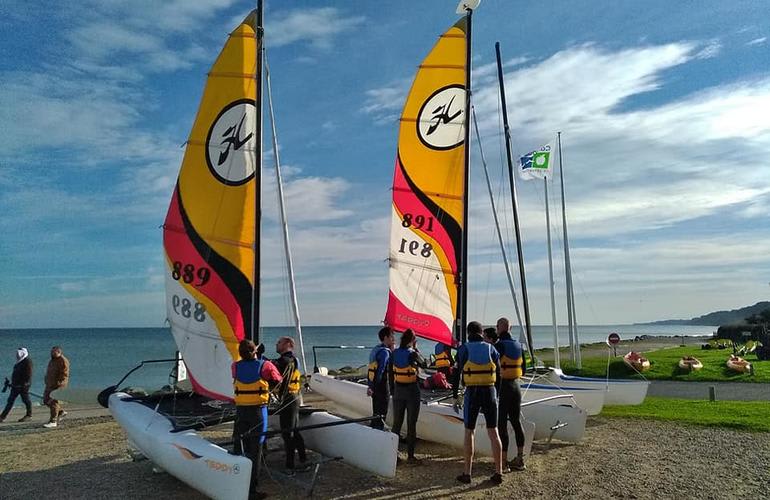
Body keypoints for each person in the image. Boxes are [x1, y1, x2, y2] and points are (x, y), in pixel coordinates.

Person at [453, 321, 503, 485]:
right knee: (493, 432)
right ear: (482, 333)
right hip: (489, 392)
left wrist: (455, 396)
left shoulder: (464, 349)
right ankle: (498, 472)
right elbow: (499, 375)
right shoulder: (491, 348)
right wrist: (497, 394)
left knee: (469, 432)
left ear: (468, 333)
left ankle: (467, 473)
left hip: (472, 393)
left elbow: (456, 374)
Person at [233, 339, 282, 497]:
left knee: (239, 446)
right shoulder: (265, 365)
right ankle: (251, 490)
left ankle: (235, 481)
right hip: (258, 413)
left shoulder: (235, 366)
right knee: (256, 450)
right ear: (255, 351)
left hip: (240, 412)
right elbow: (278, 381)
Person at [390, 329, 427, 463]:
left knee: (397, 424)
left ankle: (394, 455)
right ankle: (411, 457)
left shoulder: (394, 353)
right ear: (412, 340)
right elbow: (425, 364)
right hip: (412, 391)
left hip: (398, 390)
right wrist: (417, 349)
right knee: (411, 424)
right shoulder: (412, 354)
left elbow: (390, 373)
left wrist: (392, 391)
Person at [495, 317, 527, 471]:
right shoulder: (519, 345)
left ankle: (504, 462)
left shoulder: (498, 346)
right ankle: (520, 459)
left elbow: (493, 368)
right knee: (516, 421)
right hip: (516, 387)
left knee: (501, 423)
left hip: (503, 388)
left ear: (498, 328)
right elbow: (524, 369)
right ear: (510, 328)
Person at [273, 336, 306, 470]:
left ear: (287, 344)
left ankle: (290, 465)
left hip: (289, 399)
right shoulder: (293, 359)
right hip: (294, 398)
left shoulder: (286, 361)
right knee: (294, 430)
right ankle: (303, 459)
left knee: (288, 433)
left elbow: (275, 366)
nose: (276, 344)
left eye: (279, 342)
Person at [367, 326, 394, 430]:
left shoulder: (376, 349)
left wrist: (371, 386)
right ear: (386, 337)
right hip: (382, 386)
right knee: (382, 412)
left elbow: (372, 370)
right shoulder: (385, 353)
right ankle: (378, 430)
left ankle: (373, 428)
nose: (393, 339)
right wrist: (375, 387)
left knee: (376, 411)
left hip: (374, 385)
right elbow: (381, 371)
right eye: (391, 337)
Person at [0, 348, 33, 423]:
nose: (17, 355)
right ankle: (2, 417)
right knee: (10, 401)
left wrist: (24, 384)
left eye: (19, 354)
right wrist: (12, 383)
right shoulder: (19, 362)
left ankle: (29, 415)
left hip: (23, 386)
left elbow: (29, 374)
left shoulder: (27, 362)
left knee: (26, 400)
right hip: (15, 386)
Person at [43, 346, 69, 428]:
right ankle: (60, 412)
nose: (52, 353)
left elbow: (64, 374)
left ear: (59, 352)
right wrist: (46, 380)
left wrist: (60, 384)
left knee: (53, 402)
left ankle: (53, 421)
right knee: (46, 400)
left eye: (54, 352)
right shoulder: (52, 360)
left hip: (57, 385)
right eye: (51, 352)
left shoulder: (63, 361)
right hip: (50, 384)